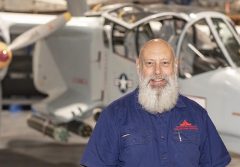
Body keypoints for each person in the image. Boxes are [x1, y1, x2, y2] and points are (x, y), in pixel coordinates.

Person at [80, 39, 231, 167]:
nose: (157, 71)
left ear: (175, 66)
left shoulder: (197, 115)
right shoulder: (113, 116)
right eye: (150, 63)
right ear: (139, 66)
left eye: (165, 63)